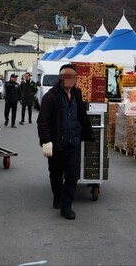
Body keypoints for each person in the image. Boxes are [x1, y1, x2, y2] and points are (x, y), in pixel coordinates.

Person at [37, 64, 95, 220]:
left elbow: (81, 116)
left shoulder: (77, 94)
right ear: (60, 78)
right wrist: (46, 141)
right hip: (57, 144)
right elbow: (42, 121)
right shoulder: (50, 97)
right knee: (56, 175)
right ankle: (57, 196)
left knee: (72, 175)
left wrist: (86, 133)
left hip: (73, 143)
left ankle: (66, 206)